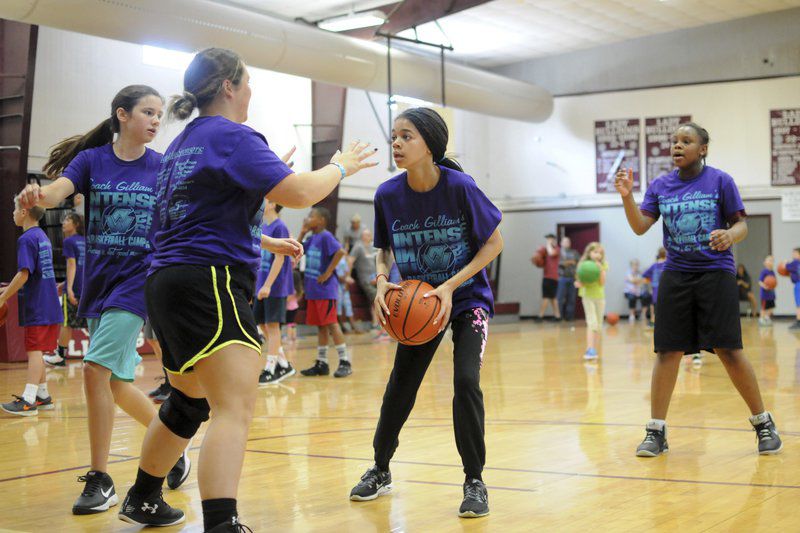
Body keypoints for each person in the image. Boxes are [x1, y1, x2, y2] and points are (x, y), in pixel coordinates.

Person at [113, 48, 376, 532]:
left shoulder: (182, 144)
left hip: (165, 281)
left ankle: (144, 497)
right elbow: (297, 192)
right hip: (207, 281)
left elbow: (205, 216)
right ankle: (221, 523)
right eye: (248, 81)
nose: (251, 89)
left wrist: (265, 225)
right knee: (233, 406)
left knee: (187, 402)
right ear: (230, 85)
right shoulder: (233, 136)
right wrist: (341, 167)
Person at [16, 85, 193, 515]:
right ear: (122, 115)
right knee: (115, 383)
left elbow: (194, 216)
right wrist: (38, 195)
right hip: (100, 281)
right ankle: (171, 443)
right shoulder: (93, 160)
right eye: (147, 112)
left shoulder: (163, 165)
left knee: (94, 371)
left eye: (159, 114)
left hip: (138, 281)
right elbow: (59, 190)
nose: (156, 120)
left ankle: (101, 478)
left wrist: (260, 237)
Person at [349, 107, 503, 518]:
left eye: (406, 136)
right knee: (401, 385)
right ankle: (380, 469)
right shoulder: (386, 194)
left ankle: (475, 480)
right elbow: (384, 250)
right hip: (418, 302)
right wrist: (382, 279)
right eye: (394, 137)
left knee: (466, 381)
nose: (396, 143)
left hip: (465, 298)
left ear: (430, 144)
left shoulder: (461, 187)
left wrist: (451, 285)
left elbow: (494, 244)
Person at [615, 121, 782, 457]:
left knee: (728, 350)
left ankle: (763, 424)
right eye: (674, 141)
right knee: (668, 352)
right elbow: (639, 227)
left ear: (702, 149)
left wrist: (730, 236)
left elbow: (741, 224)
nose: (677, 146)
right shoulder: (661, 185)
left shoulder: (720, 181)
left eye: (686, 141)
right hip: (676, 274)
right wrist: (627, 197)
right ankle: (656, 432)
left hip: (715, 273)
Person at [0, 198, 63, 415]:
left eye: (15, 209)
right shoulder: (42, 236)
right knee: (37, 350)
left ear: (25, 212)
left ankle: (28, 400)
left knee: (34, 352)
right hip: (50, 304)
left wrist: (3, 297)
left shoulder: (26, 239)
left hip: (38, 305)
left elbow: (24, 273)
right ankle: (42, 395)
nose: (13, 213)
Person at [298, 207, 352, 378]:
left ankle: (345, 361)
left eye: (311, 216)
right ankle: (322, 363)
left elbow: (340, 251)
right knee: (321, 326)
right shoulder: (312, 237)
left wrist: (328, 272)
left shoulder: (326, 236)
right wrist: (302, 232)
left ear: (321, 220)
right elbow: (297, 250)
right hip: (313, 290)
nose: (307, 218)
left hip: (325, 290)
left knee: (331, 324)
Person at [254, 199, 296, 385]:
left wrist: (268, 285)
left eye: (264, 201)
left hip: (276, 285)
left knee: (272, 326)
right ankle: (284, 365)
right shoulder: (263, 227)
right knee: (262, 324)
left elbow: (280, 258)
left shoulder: (280, 227)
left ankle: (270, 369)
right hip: (262, 284)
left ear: (272, 204)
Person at [45, 213, 87, 366]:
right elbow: (84, 267)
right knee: (91, 323)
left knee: (66, 323)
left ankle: (60, 356)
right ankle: (97, 357)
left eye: (68, 219)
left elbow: (72, 265)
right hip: (86, 288)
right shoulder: (85, 241)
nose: (63, 222)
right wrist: (64, 282)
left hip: (74, 289)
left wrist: (68, 288)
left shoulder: (69, 241)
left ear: (75, 224)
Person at [575, 242, 607, 361]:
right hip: (587, 296)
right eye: (595, 252)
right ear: (589, 252)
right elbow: (580, 281)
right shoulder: (583, 265)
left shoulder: (603, 265)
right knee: (592, 322)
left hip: (600, 297)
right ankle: (589, 349)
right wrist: (578, 283)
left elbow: (602, 283)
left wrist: (600, 270)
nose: (598, 255)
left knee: (598, 324)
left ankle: (595, 349)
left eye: (600, 253)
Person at [350, 228, 382, 333]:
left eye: (368, 235)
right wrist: (348, 276)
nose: (367, 237)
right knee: (375, 298)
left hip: (375, 277)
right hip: (365, 279)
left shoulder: (373, 247)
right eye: (365, 235)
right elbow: (350, 261)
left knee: (380, 297)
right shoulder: (358, 247)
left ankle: (377, 322)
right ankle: (376, 323)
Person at [534, 234, 560, 321]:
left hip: (552, 277)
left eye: (550, 239)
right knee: (553, 298)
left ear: (554, 240)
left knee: (546, 297)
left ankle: (540, 316)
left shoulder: (556, 249)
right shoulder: (545, 250)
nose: (549, 241)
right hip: (547, 276)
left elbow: (551, 253)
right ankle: (557, 316)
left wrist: (548, 244)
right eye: (548, 239)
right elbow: (540, 259)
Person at [556, 236, 579, 322]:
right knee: (560, 298)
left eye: (568, 241)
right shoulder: (558, 252)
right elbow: (560, 264)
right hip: (562, 278)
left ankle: (569, 317)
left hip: (572, 278)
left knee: (571, 299)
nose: (566, 243)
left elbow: (579, 263)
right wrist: (570, 262)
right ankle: (559, 317)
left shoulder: (574, 253)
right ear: (561, 243)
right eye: (565, 241)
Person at [642, 247, 667, 327]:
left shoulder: (654, 265)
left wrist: (651, 279)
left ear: (658, 255)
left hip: (656, 290)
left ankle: (653, 321)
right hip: (667, 289)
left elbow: (644, 275)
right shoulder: (668, 264)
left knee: (654, 305)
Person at [335, 254, 359, 333]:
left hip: (344, 285)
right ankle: (341, 327)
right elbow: (337, 275)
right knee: (338, 306)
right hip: (336, 285)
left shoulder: (344, 258)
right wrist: (347, 280)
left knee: (348, 304)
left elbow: (347, 272)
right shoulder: (335, 257)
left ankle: (353, 326)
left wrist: (347, 283)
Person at [624, 259, 646, 323]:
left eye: (637, 265)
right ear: (631, 265)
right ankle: (632, 315)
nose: (636, 266)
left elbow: (643, 281)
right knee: (632, 297)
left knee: (646, 296)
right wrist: (638, 280)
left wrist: (636, 280)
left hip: (639, 291)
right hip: (629, 292)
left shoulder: (640, 272)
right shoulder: (628, 272)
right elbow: (633, 281)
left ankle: (643, 315)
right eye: (634, 265)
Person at [758, 256, 776, 327]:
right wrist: (764, 286)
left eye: (772, 261)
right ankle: (761, 319)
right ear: (765, 263)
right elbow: (759, 281)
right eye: (769, 260)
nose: (771, 262)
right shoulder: (764, 271)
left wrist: (774, 285)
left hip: (771, 293)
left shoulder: (772, 272)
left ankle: (767, 318)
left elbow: (774, 282)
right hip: (765, 294)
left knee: (771, 307)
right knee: (764, 308)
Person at [784, 248, 800, 330]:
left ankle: (798, 322)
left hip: (798, 284)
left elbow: (786, 267)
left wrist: (786, 262)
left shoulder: (795, 262)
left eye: (794, 253)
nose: (793, 255)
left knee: (798, 304)